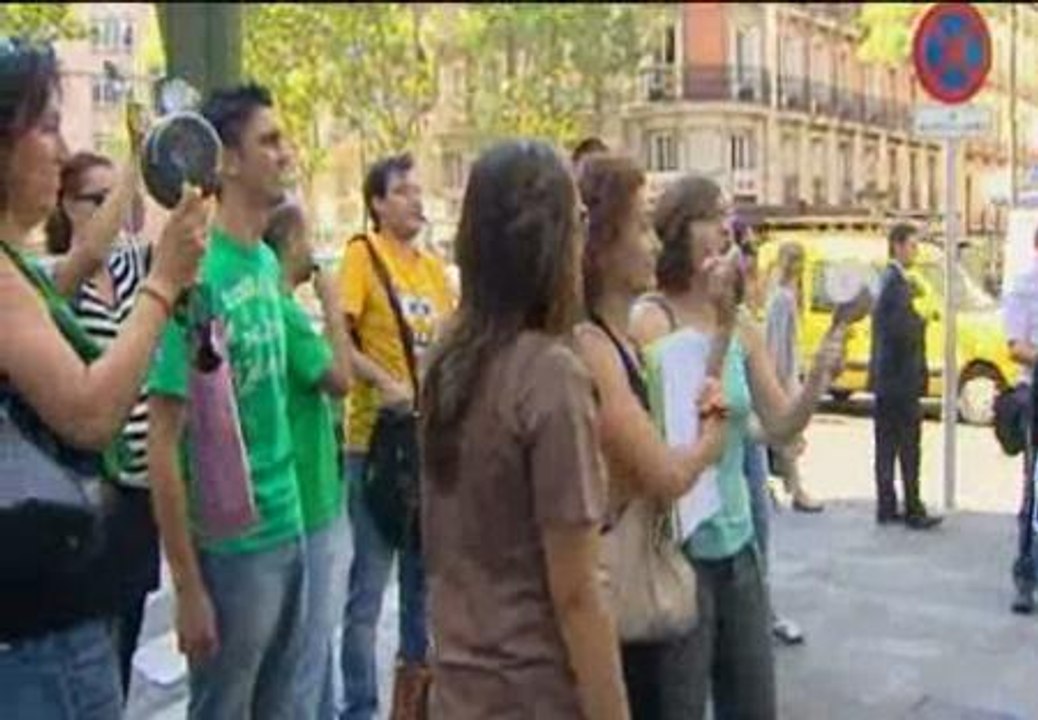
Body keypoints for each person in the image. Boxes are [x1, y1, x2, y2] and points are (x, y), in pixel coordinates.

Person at [0, 37, 207, 719]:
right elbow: (90, 411)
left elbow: (85, 252)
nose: (61, 154)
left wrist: (139, 160)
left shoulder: (20, 272)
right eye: (49, 125)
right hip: (38, 640)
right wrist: (164, 283)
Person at [421, 139, 628, 720]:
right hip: (531, 695)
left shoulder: (448, 357)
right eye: (580, 219)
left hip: (460, 686)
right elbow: (577, 593)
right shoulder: (551, 375)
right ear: (554, 240)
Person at [629, 175, 846, 720]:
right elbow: (687, 421)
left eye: (728, 219)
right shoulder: (651, 319)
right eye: (714, 217)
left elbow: (779, 426)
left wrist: (817, 379)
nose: (726, 230)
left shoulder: (743, 323)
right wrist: (721, 326)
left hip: (740, 546)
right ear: (680, 231)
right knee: (678, 705)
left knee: (753, 703)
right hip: (679, 553)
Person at [147, 83, 305, 720]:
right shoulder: (199, 275)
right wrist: (188, 588)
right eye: (269, 141)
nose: (286, 153)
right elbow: (162, 444)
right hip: (233, 556)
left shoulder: (266, 264)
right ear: (228, 161)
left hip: (289, 527)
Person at [573, 153, 731, 718]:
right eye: (639, 225)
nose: (654, 242)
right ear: (601, 241)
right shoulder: (594, 347)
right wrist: (715, 436)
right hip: (618, 600)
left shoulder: (624, 345)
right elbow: (663, 475)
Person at [337, 153, 453, 720]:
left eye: (417, 188)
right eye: (402, 190)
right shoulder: (362, 256)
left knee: (421, 586)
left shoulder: (432, 269)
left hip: (426, 443)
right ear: (377, 203)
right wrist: (382, 381)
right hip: (374, 445)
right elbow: (341, 336)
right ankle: (358, 707)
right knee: (367, 587)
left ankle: (414, 705)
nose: (415, 198)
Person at [43, 142, 158, 696]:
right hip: (89, 493)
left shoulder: (133, 266)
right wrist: (135, 166)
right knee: (92, 652)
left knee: (126, 638)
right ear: (66, 206)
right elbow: (86, 254)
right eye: (99, 198)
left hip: (140, 491)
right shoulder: (51, 277)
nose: (117, 209)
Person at [262, 202, 354, 718]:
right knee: (309, 647)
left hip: (301, 491)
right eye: (305, 238)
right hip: (309, 496)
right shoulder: (289, 315)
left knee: (311, 647)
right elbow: (340, 378)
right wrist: (333, 308)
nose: (312, 250)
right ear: (286, 246)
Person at [868, 223, 942, 530]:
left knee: (886, 445)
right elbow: (901, 330)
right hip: (900, 379)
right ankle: (912, 506)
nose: (916, 251)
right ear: (897, 246)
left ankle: (887, 504)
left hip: (887, 378)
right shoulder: (896, 284)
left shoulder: (888, 280)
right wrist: (921, 320)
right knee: (907, 445)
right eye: (912, 245)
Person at [765, 241, 823, 513]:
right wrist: (780, 378)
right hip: (784, 375)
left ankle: (787, 486)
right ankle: (794, 489)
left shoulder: (781, 295)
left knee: (785, 437)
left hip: (786, 373)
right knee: (786, 436)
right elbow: (779, 342)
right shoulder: (783, 298)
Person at [1000, 226, 1038, 613]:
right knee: (1035, 489)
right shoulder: (1024, 288)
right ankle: (1026, 575)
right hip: (1036, 392)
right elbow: (1016, 347)